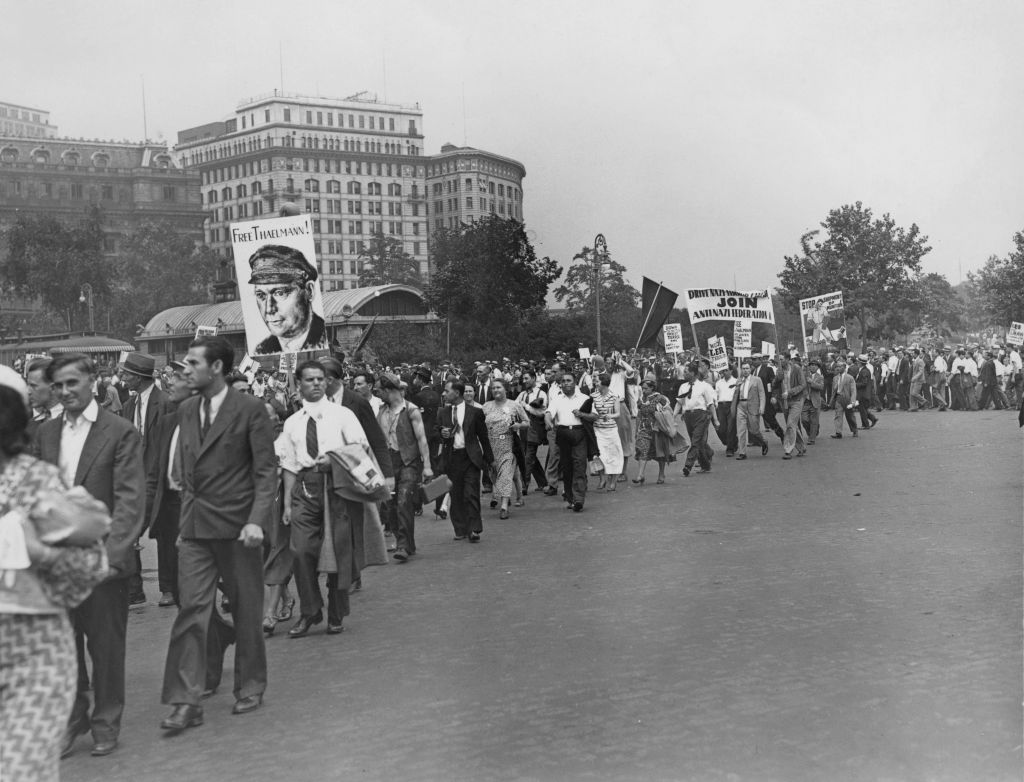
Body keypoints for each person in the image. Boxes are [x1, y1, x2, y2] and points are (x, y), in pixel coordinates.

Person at [160, 336, 278, 732]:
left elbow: (266, 472)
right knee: (191, 612)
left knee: (246, 610)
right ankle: (186, 700)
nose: (185, 369)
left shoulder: (250, 410)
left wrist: (256, 520)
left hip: (239, 528)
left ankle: (250, 685)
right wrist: (183, 529)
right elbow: (188, 475)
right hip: (196, 530)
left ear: (216, 368)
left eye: (193, 363)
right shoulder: (188, 408)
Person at [0, 371, 110, 781]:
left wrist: (41, 553)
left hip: (32, 658)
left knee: (17, 772)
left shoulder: (36, 482)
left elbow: (91, 567)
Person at [35, 354, 145, 759]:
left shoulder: (120, 433)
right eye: (58, 386)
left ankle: (105, 721)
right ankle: (72, 719)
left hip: (101, 561)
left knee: (105, 647)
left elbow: (130, 501)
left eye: (72, 383)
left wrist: (113, 557)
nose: (65, 392)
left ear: (93, 381)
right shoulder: (45, 434)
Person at [120, 352, 174, 607]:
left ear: (140, 378)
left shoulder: (165, 402)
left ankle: (168, 589)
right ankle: (134, 591)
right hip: (135, 480)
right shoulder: (129, 406)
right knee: (127, 533)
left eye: (127, 374)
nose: (123, 378)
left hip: (159, 479)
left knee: (164, 535)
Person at [144, 360, 190, 608]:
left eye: (178, 377)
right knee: (184, 590)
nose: (169, 381)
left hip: (201, 510)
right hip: (171, 507)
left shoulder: (211, 422)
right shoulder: (166, 424)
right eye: (169, 376)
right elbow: (154, 476)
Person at [377, 372, 433, 559]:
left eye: (380, 390)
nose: (378, 393)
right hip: (388, 462)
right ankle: (407, 542)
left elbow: (421, 439)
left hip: (408, 461)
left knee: (403, 501)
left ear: (389, 390)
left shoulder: (411, 410)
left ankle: (403, 545)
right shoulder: (382, 411)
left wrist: (427, 466)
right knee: (390, 504)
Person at [247, 245, 328, 355]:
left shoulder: (327, 340)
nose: (269, 309)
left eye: (280, 293)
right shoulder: (261, 351)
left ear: (309, 291)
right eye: (261, 295)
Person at [438, 380, 493, 541]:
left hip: (470, 457)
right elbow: (436, 431)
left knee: (471, 494)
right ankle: (460, 528)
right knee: (456, 495)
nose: (444, 394)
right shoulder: (443, 412)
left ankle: (474, 529)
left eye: (447, 390)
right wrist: (442, 432)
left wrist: (490, 459)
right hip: (452, 457)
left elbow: (483, 437)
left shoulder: (475, 412)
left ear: (457, 392)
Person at [545, 373, 595, 511]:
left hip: (580, 433)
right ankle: (570, 497)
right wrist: (548, 422)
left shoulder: (585, 399)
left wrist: (582, 414)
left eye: (569, 380)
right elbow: (549, 413)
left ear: (575, 383)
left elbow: (594, 416)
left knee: (579, 465)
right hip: (563, 434)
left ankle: (579, 499)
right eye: (563, 381)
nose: (566, 383)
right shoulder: (557, 399)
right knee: (567, 467)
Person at [481, 378, 529, 519]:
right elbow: (478, 423)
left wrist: (518, 426)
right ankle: (515, 495)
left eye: (498, 387)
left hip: (508, 444)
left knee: (506, 474)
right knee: (494, 475)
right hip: (491, 446)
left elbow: (527, 422)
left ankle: (503, 506)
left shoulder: (514, 405)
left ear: (505, 389)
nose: (496, 390)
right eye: (493, 388)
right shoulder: (486, 406)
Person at [678, 363, 719, 477]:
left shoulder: (704, 386)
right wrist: (674, 416)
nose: (684, 373)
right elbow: (680, 402)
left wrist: (715, 420)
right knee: (697, 442)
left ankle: (688, 465)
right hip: (688, 416)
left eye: (686, 371)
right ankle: (706, 463)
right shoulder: (683, 387)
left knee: (696, 440)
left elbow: (711, 403)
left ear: (693, 373)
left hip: (701, 415)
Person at [515, 369, 550, 495]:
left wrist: (526, 406)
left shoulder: (541, 393)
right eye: (523, 379)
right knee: (530, 456)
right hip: (523, 429)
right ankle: (543, 482)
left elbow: (542, 413)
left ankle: (525, 483)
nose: (524, 382)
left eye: (527, 379)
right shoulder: (523, 394)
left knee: (528, 457)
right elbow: (514, 406)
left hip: (535, 429)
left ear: (534, 378)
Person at [632, 377, 671, 484]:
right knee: (642, 449)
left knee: (660, 453)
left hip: (658, 430)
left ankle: (661, 473)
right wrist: (636, 430)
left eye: (645, 389)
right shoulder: (641, 399)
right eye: (642, 389)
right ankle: (640, 475)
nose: (643, 391)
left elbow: (668, 412)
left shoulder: (660, 398)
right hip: (644, 429)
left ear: (652, 388)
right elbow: (639, 415)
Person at [591, 373, 623, 489]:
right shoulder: (593, 396)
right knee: (598, 455)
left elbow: (618, 413)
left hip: (611, 430)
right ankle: (602, 479)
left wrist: (609, 416)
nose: (596, 383)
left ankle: (613, 482)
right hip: (597, 429)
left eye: (598, 381)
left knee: (614, 455)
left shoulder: (614, 396)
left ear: (604, 383)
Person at [732, 361, 769, 460]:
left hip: (753, 406)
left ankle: (763, 441)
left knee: (754, 430)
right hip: (741, 405)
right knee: (741, 430)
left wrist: (762, 407)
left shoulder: (757, 380)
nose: (745, 370)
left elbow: (762, 394)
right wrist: (737, 386)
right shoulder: (739, 380)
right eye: (743, 368)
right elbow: (735, 394)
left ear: (750, 369)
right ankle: (742, 452)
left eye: (747, 368)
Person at [778, 353, 808, 459]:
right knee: (792, 425)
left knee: (790, 424)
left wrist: (790, 392)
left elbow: (803, 384)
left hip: (797, 400)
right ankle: (801, 448)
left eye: (781, 359)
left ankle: (788, 450)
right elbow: (775, 384)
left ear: (787, 359)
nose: (779, 361)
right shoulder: (779, 370)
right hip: (785, 402)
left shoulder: (796, 369)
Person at [830, 359, 859, 438]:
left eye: (840, 366)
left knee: (850, 416)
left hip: (848, 399)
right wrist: (831, 401)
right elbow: (833, 391)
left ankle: (854, 430)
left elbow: (853, 390)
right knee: (838, 415)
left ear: (844, 367)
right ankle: (838, 432)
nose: (838, 368)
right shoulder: (835, 378)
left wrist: (853, 401)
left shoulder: (850, 378)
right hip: (839, 398)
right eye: (837, 366)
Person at [713, 364, 738, 457]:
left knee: (731, 427)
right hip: (720, 406)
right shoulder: (719, 382)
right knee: (721, 428)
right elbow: (716, 394)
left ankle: (730, 449)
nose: (725, 372)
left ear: (731, 371)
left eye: (727, 370)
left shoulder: (736, 381)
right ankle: (733, 441)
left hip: (731, 405)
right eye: (724, 371)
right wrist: (715, 404)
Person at [802, 360, 825, 444]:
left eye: (815, 365)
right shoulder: (805, 375)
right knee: (804, 420)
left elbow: (821, 387)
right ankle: (812, 432)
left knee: (814, 421)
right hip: (805, 401)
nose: (813, 367)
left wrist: (812, 382)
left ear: (818, 367)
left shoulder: (820, 377)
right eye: (811, 365)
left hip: (815, 401)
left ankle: (812, 439)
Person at [854, 355, 880, 428]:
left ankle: (865, 425)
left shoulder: (864, 371)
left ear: (860, 362)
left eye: (858, 362)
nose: (857, 363)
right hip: (864, 393)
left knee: (862, 409)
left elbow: (864, 383)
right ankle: (872, 419)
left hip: (863, 393)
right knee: (863, 409)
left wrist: (855, 384)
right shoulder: (863, 370)